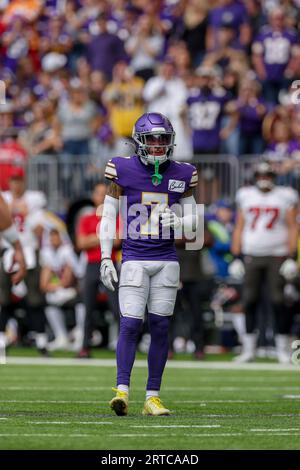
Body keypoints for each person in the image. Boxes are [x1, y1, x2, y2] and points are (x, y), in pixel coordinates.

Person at [100, 112, 199, 416]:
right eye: (152, 139)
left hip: (167, 260)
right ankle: (122, 391)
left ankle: (152, 396)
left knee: (160, 327)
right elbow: (108, 216)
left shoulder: (183, 172)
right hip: (134, 258)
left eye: (163, 139)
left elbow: (198, 225)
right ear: (139, 141)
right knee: (130, 324)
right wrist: (105, 256)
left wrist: (181, 222)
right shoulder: (121, 168)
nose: (157, 145)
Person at [230, 160, 299, 363]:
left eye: (267, 175)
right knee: (249, 300)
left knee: (278, 301)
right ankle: (249, 350)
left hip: (277, 254)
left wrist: (291, 256)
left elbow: (293, 226)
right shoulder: (246, 195)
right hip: (252, 253)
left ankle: (282, 350)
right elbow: (239, 226)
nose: (264, 179)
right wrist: (236, 256)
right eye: (260, 176)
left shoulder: (285, 196)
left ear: (273, 177)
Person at [76, 181, 120, 358]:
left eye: (104, 194)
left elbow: (117, 241)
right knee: (88, 308)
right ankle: (85, 346)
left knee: (116, 308)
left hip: (109, 263)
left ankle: (126, 344)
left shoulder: (116, 217)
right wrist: (103, 236)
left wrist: (92, 239)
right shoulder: (86, 218)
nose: (101, 197)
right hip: (92, 265)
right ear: (93, 196)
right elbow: (80, 243)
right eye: (98, 193)